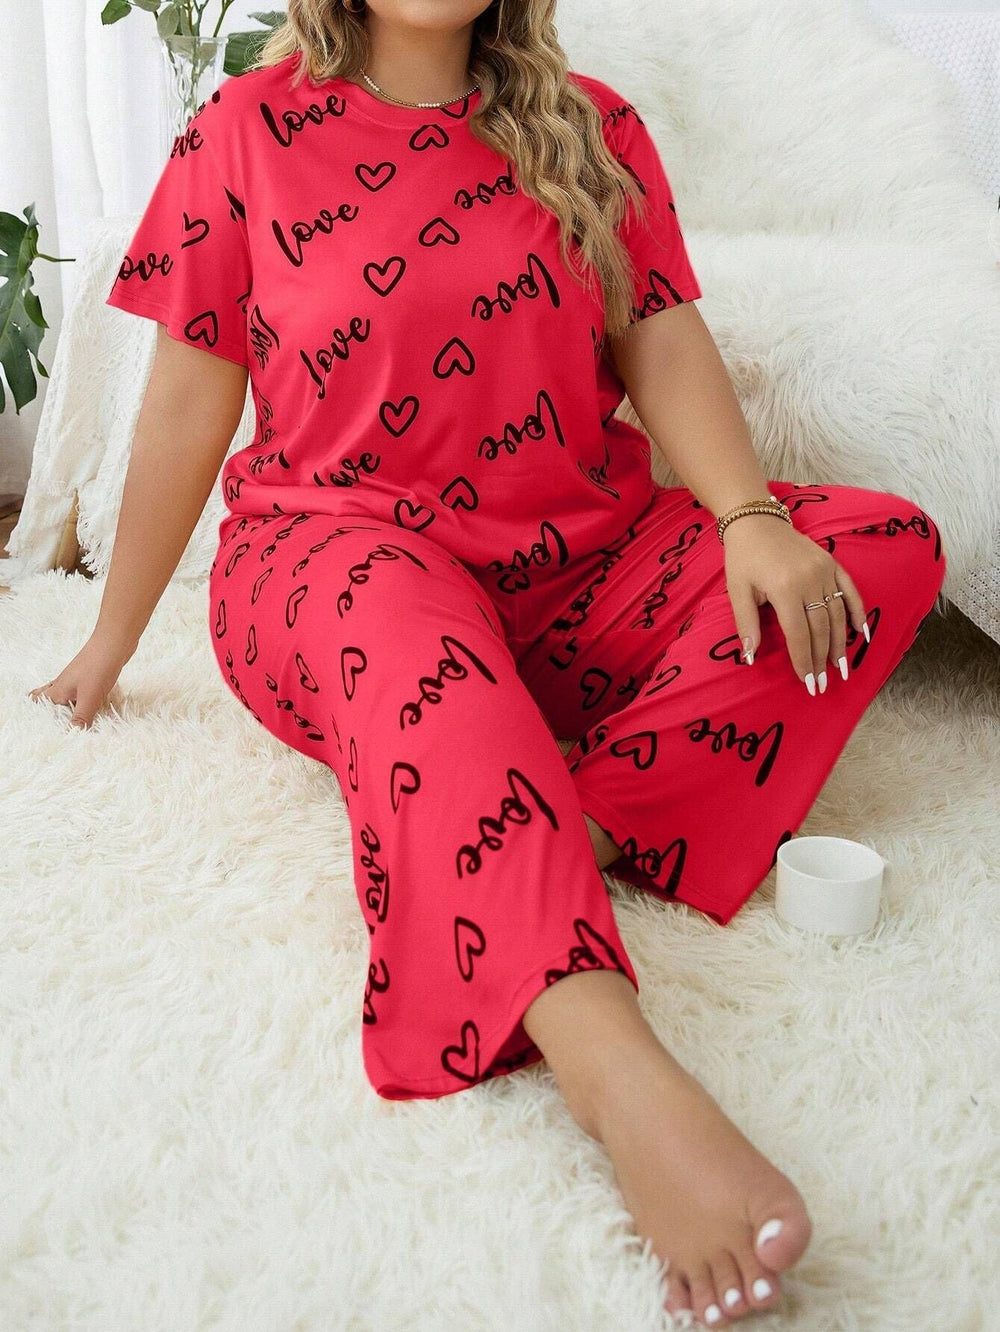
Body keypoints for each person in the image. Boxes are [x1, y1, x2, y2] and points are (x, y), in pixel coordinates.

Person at [30, 0, 947, 1324]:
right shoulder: (243, 131)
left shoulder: (594, 129)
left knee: (873, 548)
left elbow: (662, 334)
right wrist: (110, 641)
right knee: (415, 641)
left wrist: (750, 518)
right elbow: (188, 393)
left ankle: (538, 821)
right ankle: (612, 1066)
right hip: (340, 569)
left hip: (581, 572)